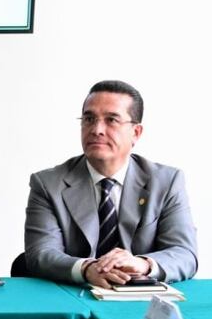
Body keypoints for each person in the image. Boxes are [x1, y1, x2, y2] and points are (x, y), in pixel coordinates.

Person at [24, 80, 197, 287]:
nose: (97, 129)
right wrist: (87, 268)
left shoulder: (167, 181)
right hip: (75, 295)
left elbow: (184, 253)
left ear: (136, 133)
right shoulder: (48, 184)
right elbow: (41, 254)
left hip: (141, 297)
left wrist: (142, 264)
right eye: (89, 119)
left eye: (111, 120)